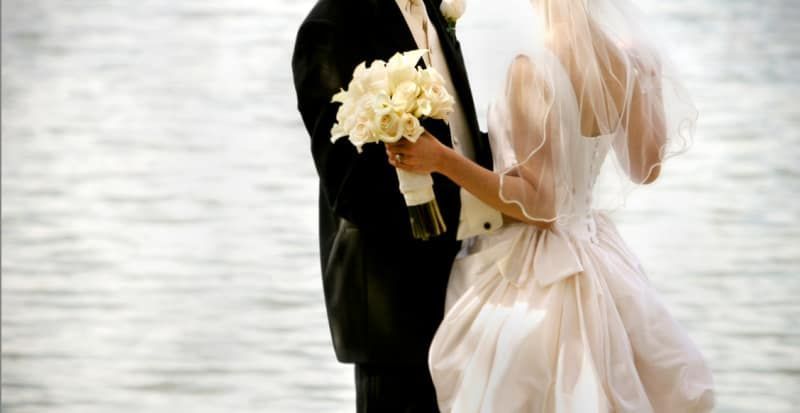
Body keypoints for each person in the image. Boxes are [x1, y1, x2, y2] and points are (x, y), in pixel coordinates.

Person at [386, 0, 716, 411]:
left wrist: (442, 160)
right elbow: (645, 169)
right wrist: (646, 83)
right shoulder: (623, 59)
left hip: (532, 267)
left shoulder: (533, 66)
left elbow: (541, 207)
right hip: (596, 251)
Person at [292, 0, 502, 411]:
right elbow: (350, 186)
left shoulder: (432, 9)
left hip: (471, 281)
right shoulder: (331, 24)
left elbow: (456, 136)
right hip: (394, 306)